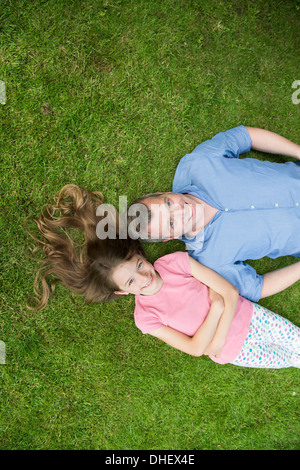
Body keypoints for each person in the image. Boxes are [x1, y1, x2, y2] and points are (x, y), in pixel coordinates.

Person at [27, 185, 300, 369]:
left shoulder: (174, 262)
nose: (144, 276)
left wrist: (214, 339)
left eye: (138, 264)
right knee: (291, 360)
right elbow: (194, 349)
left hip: (252, 318)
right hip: (236, 352)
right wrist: (216, 309)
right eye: (131, 281)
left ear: (139, 254)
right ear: (122, 292)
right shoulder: (145, 318)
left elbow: (229, 293)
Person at [128, 126, 300, 302]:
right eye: (171, 223)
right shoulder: (210, 261)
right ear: (169, 238)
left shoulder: (198, 163)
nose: (181, 211)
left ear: (161, 193)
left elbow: (246, 136)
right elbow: (257, 288)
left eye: (169, 203)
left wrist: (298, 151)